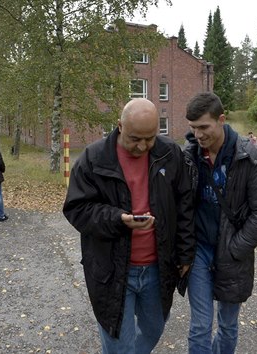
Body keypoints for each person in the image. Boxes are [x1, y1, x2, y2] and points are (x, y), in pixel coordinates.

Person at [63, 98, 195, 353]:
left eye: (150, 138)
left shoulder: (170, 153)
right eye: (136, 138)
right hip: (112, 269)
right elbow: (76, 209)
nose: (143, 146)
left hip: (158, 267)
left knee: (154, 329)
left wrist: (186, 252)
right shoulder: (94, 158)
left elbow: (184, 205)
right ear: (120, 126)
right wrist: (117, 219)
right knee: (118, 343)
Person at [182, 92, 257, 354]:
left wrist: (235, 249)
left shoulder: (251, 157)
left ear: (221, 120)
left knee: (227, 324)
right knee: (200, 325)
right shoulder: (188, 157)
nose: (198, 135)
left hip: (233, 251)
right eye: (193, 128)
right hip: (199, 250)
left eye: (204, 127)